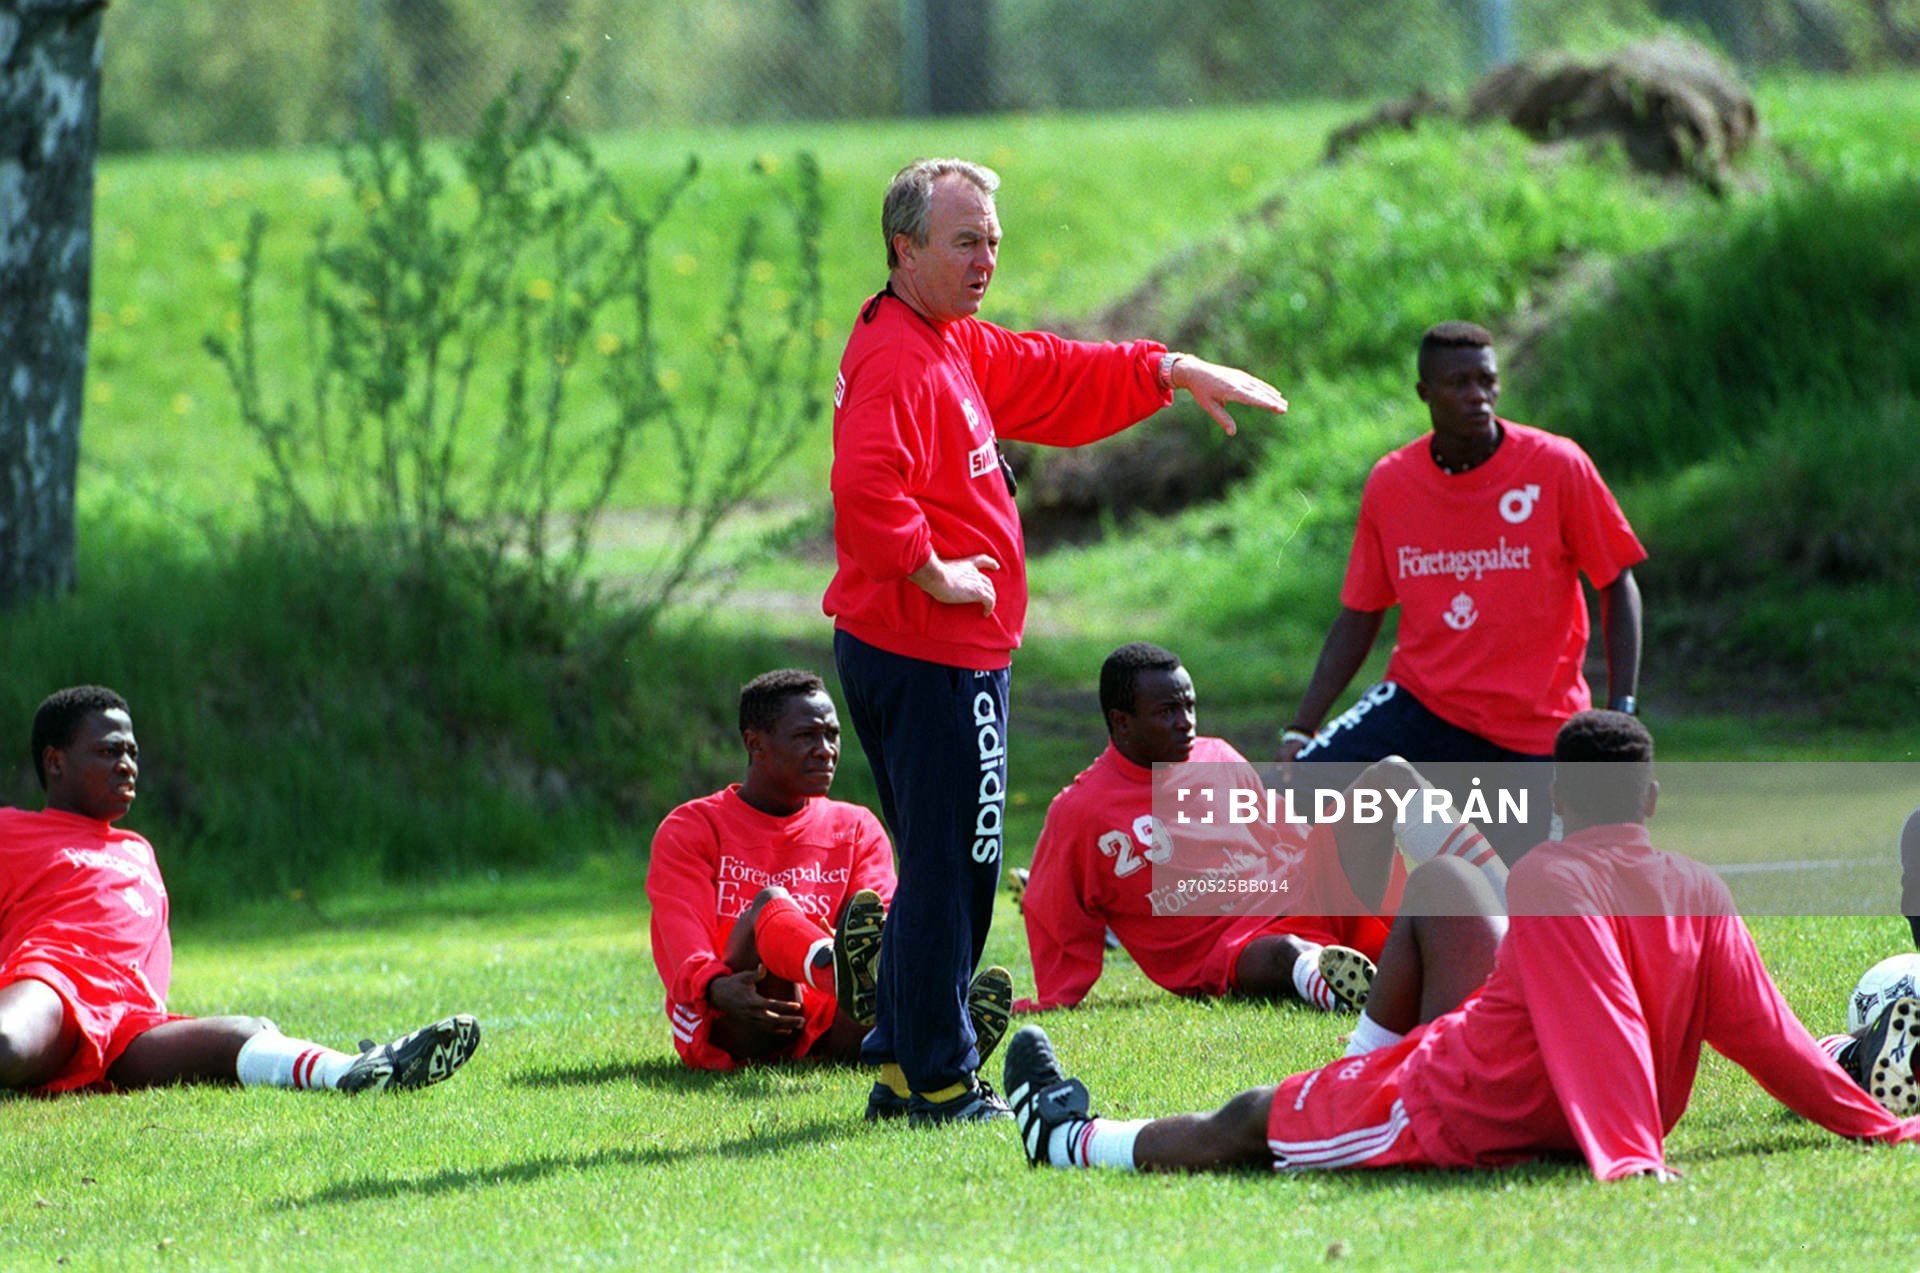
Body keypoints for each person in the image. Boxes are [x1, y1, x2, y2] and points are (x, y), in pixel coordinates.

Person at [825, 157, 1289, 1124]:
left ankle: (908, 1059)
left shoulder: (943, 341)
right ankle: (942, 1079)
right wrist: (932, 568)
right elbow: (867, 487)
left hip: (924, 648)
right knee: (961, 862)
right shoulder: (901, 359)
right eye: (966, 240)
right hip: (928, 650)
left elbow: (1052, 372)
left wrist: (1165, 369)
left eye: (992, 238)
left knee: (944, 860)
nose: (987, 256)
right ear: (903, 249)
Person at [1005, 711, 1920, 1178]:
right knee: (1443, 885)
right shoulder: (1699, 886)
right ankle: (1351, 1054)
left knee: (1248, 1120)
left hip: (1471, 1109)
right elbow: (1771, 1038)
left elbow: (1596, 1015)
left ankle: (1070, 1136)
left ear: (1558, 799)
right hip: (1552, 1104)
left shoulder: (1552, 877)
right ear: (1650, 800)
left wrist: (1634, 1157)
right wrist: (1876, 1120)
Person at [1281, 321, 1646, 862]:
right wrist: (1300, 727)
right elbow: (1360, 615)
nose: (1477, 396)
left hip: (1533, 724)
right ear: (1424, 393)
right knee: (1287, 798)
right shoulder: (1392, 482)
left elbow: (1616, 583)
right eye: (1458, 383)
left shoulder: (1556, 466)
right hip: (1423, 703)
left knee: (1519, 887)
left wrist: (1621, 712)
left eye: (1487, 381)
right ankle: (1308, 932)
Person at [0, 686, 479, 1096]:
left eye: (132, 753)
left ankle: (356, 1072)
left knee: (242, 1034)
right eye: (109, 751)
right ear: (55, 762)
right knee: (8, 1043)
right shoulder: (13, 830)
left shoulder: (139, 850)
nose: (127, 765)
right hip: (55, 988)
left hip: (128, 1024)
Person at [1019, 642, 1510, 1015]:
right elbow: (1058, 912)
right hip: (1230, 950)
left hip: (1304, 888)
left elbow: (1285, 833)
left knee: (1393, 776)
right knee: (1286, 955)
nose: (1185, 723)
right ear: (1120, 723)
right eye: (1167, 712)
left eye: (1189, 706)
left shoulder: (1218, 756)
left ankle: (1514, 909)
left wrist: (1344, 843)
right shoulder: (1079, 811)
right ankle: (1350, 988)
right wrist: (1058, 994)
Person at [646, 668, 1012, 1085]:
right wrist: (712, 986)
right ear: (756, 745)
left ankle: (938, 1039)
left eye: (833, 735)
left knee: (884, 960)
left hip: (832, 1022)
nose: (826, 750)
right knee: (770, 904)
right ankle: (920, 1016)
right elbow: (680, 931)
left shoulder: (855, 827)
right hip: (736, 1010)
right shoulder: (692, 827)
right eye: (807, 736)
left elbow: (883, 925)